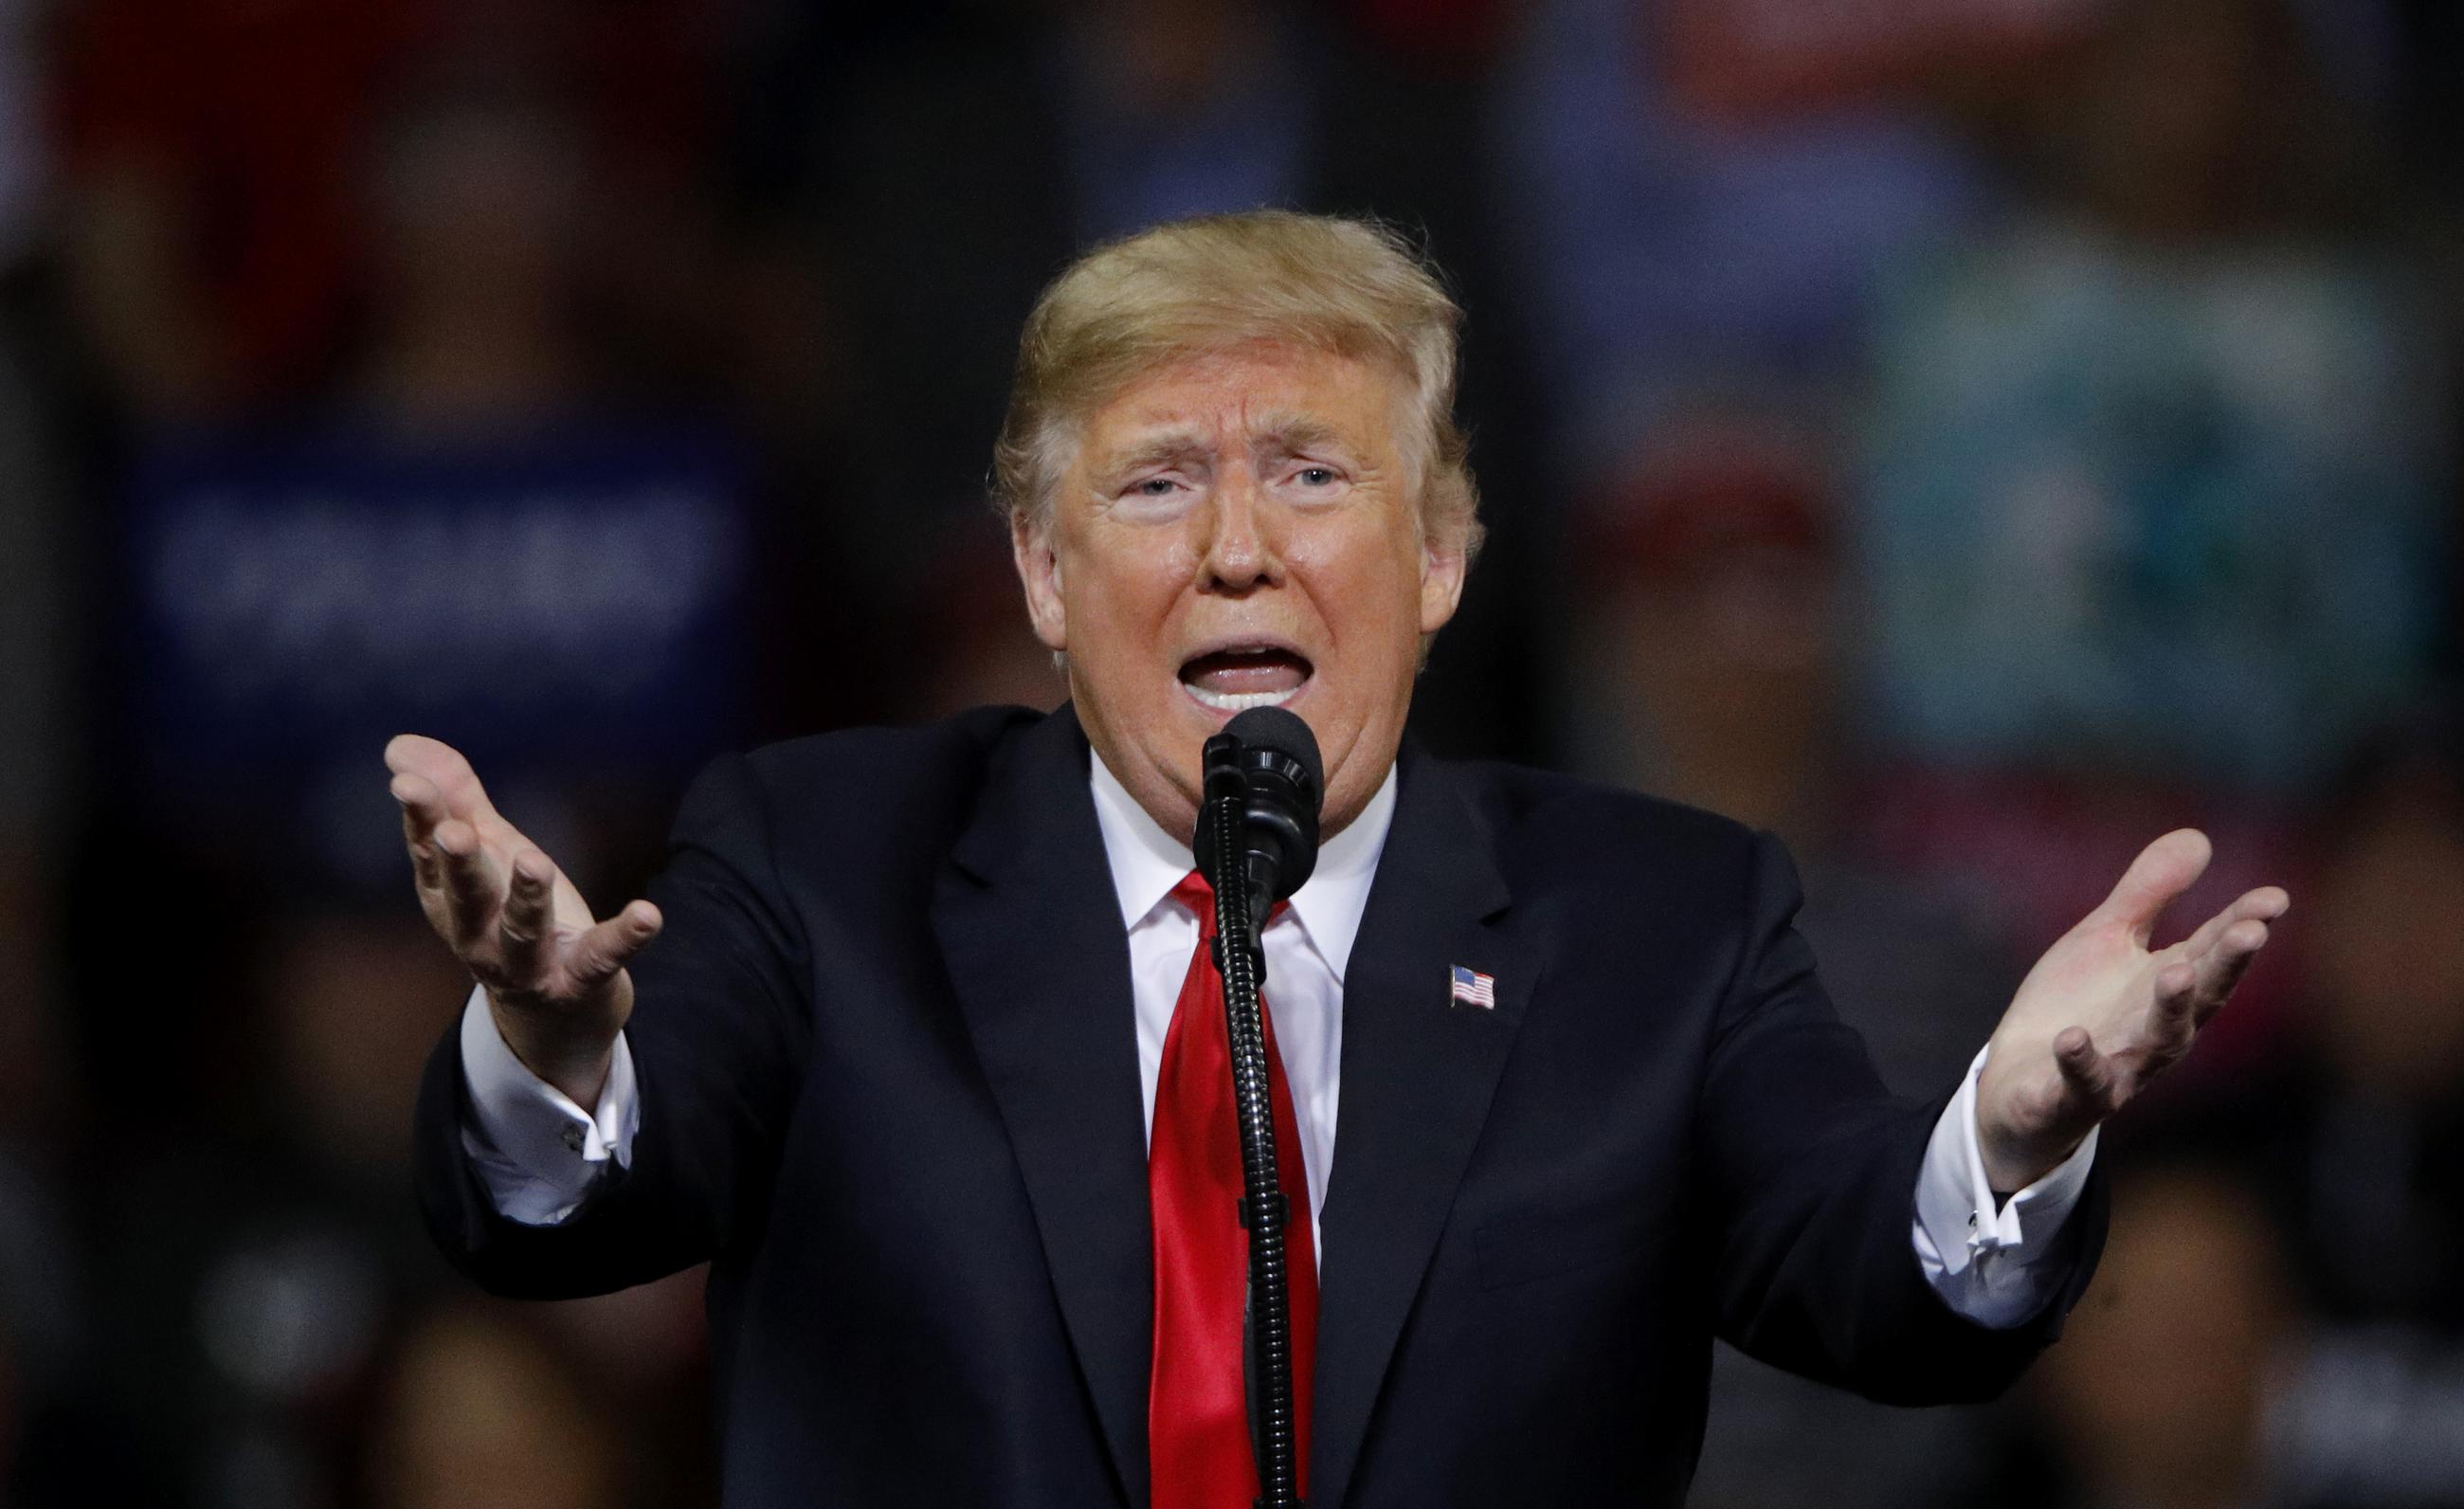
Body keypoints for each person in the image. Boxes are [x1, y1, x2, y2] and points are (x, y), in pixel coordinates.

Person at [389, 211, 2287, 1508]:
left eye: (1310, 471)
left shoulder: (1658, 922)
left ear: (1443, 552)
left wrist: (2011, 1131)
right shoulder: (825, 861)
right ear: (1046, 577)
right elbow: (596, 1188)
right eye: (1153, 484)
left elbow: (1878, 1284)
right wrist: (556, 1044)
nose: (1237, 549)